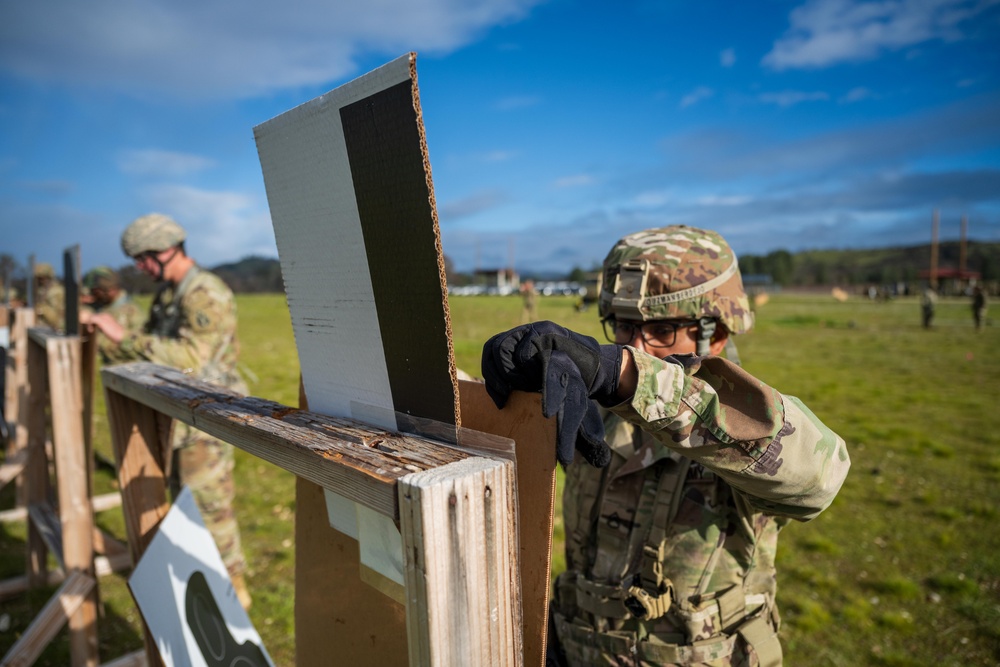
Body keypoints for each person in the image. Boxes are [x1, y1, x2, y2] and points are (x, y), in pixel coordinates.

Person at [481, 225, 850, 666]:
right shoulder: (596, 412)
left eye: (661, 329)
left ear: (715, 333)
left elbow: (819, 479)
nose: (635, 346)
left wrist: (626, 375)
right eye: (623, 326)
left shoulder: (746, 425)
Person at [84, 213, 252, 608]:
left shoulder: (203, 293)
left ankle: (234, 593)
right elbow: (153, 344)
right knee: (184, 503)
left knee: (209, 505)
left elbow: (191, 356)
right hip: (182, 415)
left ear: (167, 249)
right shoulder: (168, 294)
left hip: (209, 418)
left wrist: (122, 336)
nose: (139, 267)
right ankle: (203, 582)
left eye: (143, 258)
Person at [81, 266, 144, 364]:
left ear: (109, 290)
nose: (93, 295)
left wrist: (96, 341)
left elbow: (136, 349)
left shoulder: (131, 313)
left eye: (96, 291)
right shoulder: (102, 307)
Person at [33, 262, 65, 330]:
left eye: (42, 278)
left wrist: (42, 308)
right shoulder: (41, 291)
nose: (40, 281)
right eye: (38, 278)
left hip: (54, 329)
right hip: (41, 328)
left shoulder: (57, 292)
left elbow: (57, 318)